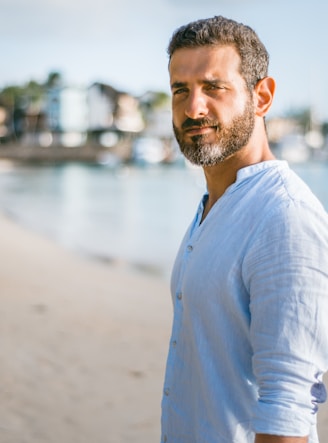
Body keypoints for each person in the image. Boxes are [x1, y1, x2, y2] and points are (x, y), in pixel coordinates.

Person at [161, 15, 328, 443]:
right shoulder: (214, 207)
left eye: (214, 87)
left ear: (262, 96)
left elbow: (289, 403)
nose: (193, 108)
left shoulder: (284, 217)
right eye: (181, 90)